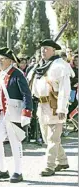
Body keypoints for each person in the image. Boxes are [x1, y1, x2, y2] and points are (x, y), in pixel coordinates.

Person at [0, 47, 33, 183]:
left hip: (14, 113)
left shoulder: (17, 74)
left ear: (10, 61)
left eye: (2, 59)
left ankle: (18, 171)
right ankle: (3, 169)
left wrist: (27, 112)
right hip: (1, 114)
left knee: (14, 142)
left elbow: (26, 94)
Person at [31, 39, 74, 176]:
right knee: (47, 138)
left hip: (55, 106)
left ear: (53, 50)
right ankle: (62, 160)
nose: (43, 51)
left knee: (53, 139)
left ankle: (49, 166)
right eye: (42, 49)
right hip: (42, 106)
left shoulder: (60, 66)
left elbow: (64, 90)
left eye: (46, 49)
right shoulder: (41, 66)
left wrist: (62, 109)